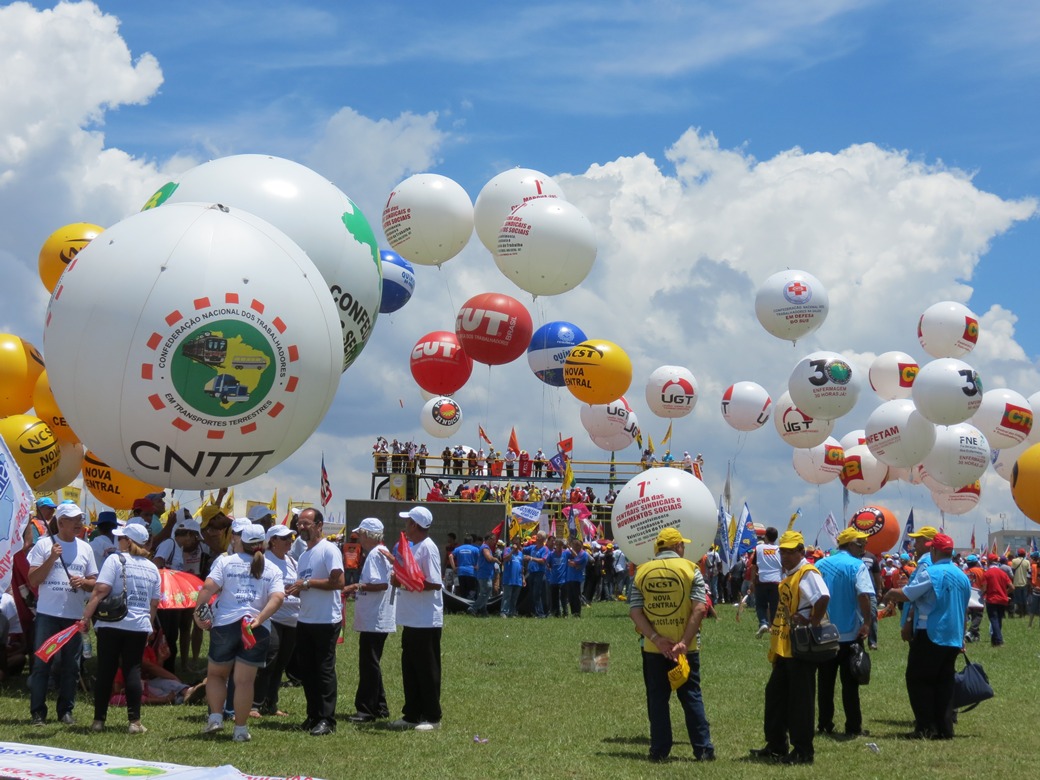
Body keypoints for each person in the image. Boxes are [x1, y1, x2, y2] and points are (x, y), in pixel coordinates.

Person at [629, 528, 715, 763]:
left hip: (654, 649)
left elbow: (635, 611)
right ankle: (703, 750)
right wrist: (684, 642)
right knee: (691, 697)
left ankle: (659, 750)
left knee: (657, 700)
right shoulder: (691, 569)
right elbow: (700, 608)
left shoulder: (641, 571)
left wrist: (656, 638)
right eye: (682, 545)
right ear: (677, 546)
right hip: (686, 649)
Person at [194, 523, 284, 742]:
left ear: (240, 541)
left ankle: (215, 718)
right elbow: (278, 598)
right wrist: (260, 619)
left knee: (216, 675)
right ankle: (241, 730)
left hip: (225, 624)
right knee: (244, 682)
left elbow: (207, 588)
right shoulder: (273, 568)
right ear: (264, 544)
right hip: (255, 629)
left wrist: (198, 613)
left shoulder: (225, 562)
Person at [750, 531, 829, 765]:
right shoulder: (790, 574)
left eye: (789, 551)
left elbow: (823, 597)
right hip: (785, 647)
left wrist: (812, 621)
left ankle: (803, 751)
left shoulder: (807, 572)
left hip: (800, 647)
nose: (784, 556)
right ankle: (776, 746)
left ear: (801, 551)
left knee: (800, 701)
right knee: (775, 695)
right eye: (782, 551)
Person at [883, 533, 970, 739]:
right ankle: (945, 728)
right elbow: (964, 609)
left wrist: (890, 593)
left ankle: (926, 727)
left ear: (934, 551)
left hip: (931, 632)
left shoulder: (931, 573)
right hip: (953, 635)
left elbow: (908, 594)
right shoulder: (962, 576)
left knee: (919, 679)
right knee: (944, 682)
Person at [82, 523, 161, 734]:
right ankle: (134, 722)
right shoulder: (152, 568)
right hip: (139, 625)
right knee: (133, 670)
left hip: (111, 623)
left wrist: (86, 617)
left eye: (121, 538)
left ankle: (98, 721)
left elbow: (100, 590)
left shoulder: (115, 560)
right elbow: (154, 603)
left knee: (106, 670)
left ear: (128, 541)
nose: (118, 541)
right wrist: (149, 627)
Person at [27, 503, 98, 726]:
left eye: (80, 519)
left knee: (71, 666)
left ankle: (65, 711)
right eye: (73, 519)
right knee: (41, 665)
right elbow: (33, 580)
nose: (78, 523)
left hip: (74, 617)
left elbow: (94, 583)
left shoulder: (85, 548)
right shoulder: (44, 544)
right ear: (61, 522)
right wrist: (51, 558)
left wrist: (83, 582)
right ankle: (38, 713)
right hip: (47, 614)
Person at [284, 508, 344, 736]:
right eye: (299, 523)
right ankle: (313, 715)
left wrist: (307, 584)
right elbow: (305, 585)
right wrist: (294, 589)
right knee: (307, 671)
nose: (301, 527)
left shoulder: (329, 550)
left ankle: (327, 719)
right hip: (306, 618)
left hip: (325, 620)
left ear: (319, 525)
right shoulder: (304, 556)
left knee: (324, 670)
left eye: (306, 523)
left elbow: (338, 582)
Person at [815, 527, 874, 737]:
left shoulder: (820, 564)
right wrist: (867, 622)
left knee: (825, 682)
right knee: (850, 684)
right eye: (860, 545)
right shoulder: (857, 566)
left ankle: (824, 724)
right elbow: (864, 595)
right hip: (850, 634)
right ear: (849, 545)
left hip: (825, 633)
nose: (863, 549)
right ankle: (853, 726)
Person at [390, 506, 443, 731]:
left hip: (425, 619)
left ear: (414, 524)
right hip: (412, 618)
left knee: (426, 669)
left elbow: (435, 583)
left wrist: (403, 581)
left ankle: (432, 716)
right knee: (411, 668)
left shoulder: (428, 548)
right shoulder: (415, 547)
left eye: (408, 522)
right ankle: (412, 713)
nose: (405, 526)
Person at [344, 518, 394, 722]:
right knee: (372, 662)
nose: (359, 539)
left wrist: (356, 586)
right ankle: (380, 706)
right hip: (377, 617)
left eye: (361, 535)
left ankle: (366, 709)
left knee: (368, 664)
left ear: (368, 535)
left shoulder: (375, 554)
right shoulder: (381, 552)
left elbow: (380, 585)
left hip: (374, 617)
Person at [253, 525, 299, 717]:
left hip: (292, 619)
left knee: (281, 663)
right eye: (284, 538)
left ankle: (271, 704)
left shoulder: (292, 561)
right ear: (272, 541)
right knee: (269, 659)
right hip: (273, 617)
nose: (289, 541)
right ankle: (255, 704)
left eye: (290, 537)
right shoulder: (265, 561)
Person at [749, 527, 781, 638]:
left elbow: (754, 567)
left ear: (766, 537)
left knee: (760, 605)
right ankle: (774, 627)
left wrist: (752, 582)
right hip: (776, 581)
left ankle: (763, 623)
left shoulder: (759, 548)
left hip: (762, 581)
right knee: (774, 606)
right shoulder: (779, 549)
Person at [982, 553, 1012, 646]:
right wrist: (1005, 593)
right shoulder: (1003, 573)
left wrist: (982, 594)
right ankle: (994, 640)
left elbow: (984, 588)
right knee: (998, 619)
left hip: (992, 599)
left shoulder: (987, 573)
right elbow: (1012, 587)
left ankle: (999, 640)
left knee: (993, 619)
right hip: (1002, 599)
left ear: (989, 562)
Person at [523, 532, 550, 618]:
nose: (536, 538)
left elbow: (543, 560)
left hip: (539, 573)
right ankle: (535, 612)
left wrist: (531, 558)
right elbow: (522, 549)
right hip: (531, 573)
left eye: (539, 536)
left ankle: (540, 613)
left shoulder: (545, 549)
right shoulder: (532, 547)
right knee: (532, 593)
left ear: (543, 539)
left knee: (537, 594)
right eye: (537, 536)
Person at [469, 535, 497, 617]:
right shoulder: (485, 547)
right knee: (485, 592)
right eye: (493, 540)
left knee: (485, 593)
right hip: (484, 575)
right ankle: (473, 608)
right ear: (489, 539)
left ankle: (483, 611)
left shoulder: (486, 548)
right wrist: (495, 559)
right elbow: (489, 558)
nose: (494, 542)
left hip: (486, 574)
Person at [564, 538, 589, 617]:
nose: (573, 547)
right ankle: (573, 612)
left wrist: (571, 562)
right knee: (571, 597)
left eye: (574, 546)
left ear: (578, 546)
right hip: (569, 577)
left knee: (576, 596)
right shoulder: (570, 553)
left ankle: (577, 613)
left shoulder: (583, 554)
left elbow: (574, 563)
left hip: (577, 578)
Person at [500, 540, 524, 617]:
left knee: (514, 598)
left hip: (518, 579)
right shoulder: (507, 550)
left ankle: (512, 612)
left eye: (517, 544)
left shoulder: (521, 553)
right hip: (509, 578)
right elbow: (505, 559)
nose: (515, 545)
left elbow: (522, 567)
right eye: (514, 544)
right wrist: (512, 551)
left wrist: (523, 578)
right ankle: (504, 612)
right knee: (507, 596)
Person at [547, 538, 569, 617]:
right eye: (558, 545)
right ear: (555, 545)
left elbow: (575, 555)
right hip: (554, 579)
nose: (559, 547)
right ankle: (556, 613)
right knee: (554, 598)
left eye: (561, 545)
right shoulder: (551, 554)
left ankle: (565, 613)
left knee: (564, 598)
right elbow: (547, 563)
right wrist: (549, 568)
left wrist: (568, 546)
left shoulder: (566, 553)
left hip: (563, 580)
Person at [1009, 548, 1030, 618]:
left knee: (1018, 599)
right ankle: (1024, 613)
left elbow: (1012, 570)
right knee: (1024, 598)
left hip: (1016, 582)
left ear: (1018, 554)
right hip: (1024, 582)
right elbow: (1028, 571)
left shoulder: (1014, 561)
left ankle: (1020, 613)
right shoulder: (1027, 562)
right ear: (1024, 554)